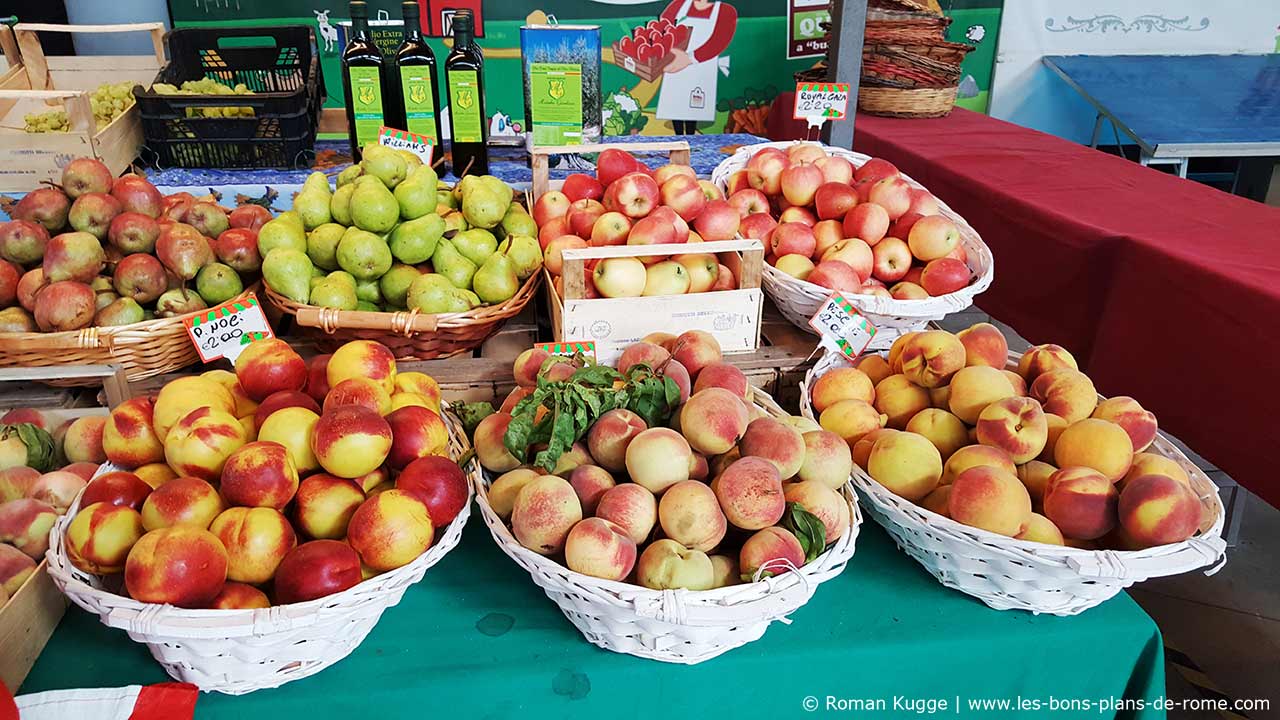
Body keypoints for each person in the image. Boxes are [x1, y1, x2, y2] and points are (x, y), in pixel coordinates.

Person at [657, 0, 737, 135]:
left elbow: (720, 39)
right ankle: (678, 139)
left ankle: (691, 137)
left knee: (694, 105)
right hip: (675, 61)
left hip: (701, 67)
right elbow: (664, 26)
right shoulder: (678, 4)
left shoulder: (725, 11)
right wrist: (672, 51)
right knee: (675, 101)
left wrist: (690, 58)